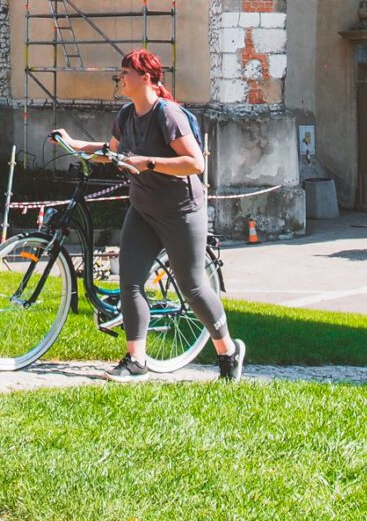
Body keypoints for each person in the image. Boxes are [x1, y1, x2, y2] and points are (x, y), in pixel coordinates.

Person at [50, 49, 246, 382]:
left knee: (193, 287)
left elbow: (195, 163)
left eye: (125, 72)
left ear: (145, 77)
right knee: (130, 282)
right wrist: (74, 143)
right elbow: (110, 152)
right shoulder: (126, 116)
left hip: (181, 212)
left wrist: (149, 162)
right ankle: (136, 360)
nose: (120, 78)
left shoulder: (167, 115)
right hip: (143, 210)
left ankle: (228, 350)